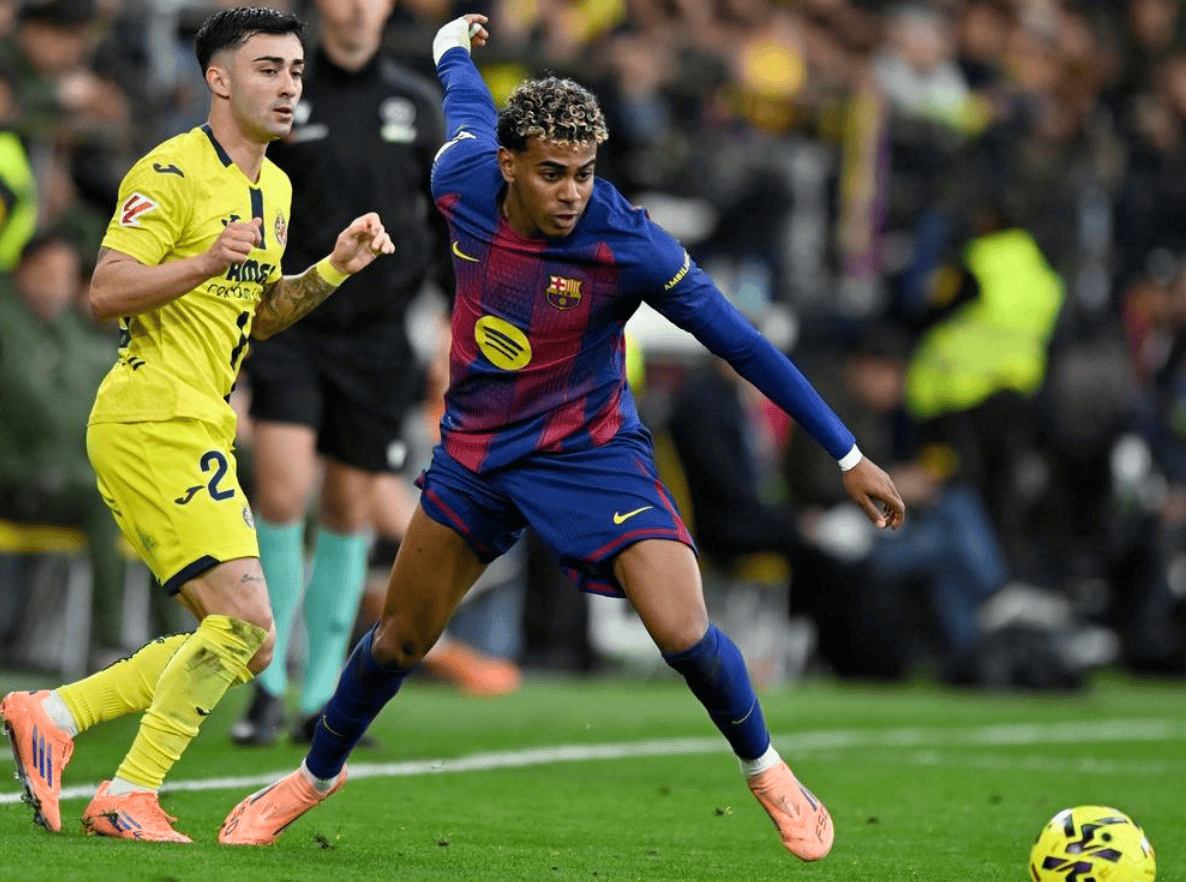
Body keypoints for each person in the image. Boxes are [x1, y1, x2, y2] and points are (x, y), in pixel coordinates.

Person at [217, 14, 904, 862]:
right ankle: (310, 779)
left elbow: (745, 344)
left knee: (681, 627)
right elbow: (466, 102)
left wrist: (848, 454)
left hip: (589, 452)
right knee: (399, 639)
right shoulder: (461, 176)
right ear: (508, 166)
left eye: (584, 173)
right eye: (552, 173)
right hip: (477, 453)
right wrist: (450, 47)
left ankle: (768, 771)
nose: (572, 191)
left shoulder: (630, 243)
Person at [0, 6, 394, 842]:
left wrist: (331, 269)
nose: (288, 86)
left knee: (248, 642)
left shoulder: (275, 187)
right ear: (218, 79)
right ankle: (128, 792)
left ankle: (56, 716)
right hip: (152, 415)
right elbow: (105, 290)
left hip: (199, 420)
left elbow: (260, 314)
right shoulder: (171, 169)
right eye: (267, 69)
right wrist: (205, 258)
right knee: (246, 623)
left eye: (295, 71)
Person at [230, 0, 452, 747]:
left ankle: (322, 695)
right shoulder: (286, 96)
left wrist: (456, 320)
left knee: (350, 507)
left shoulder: (416, 104)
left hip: (381, 336)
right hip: (292, 322)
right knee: (281, 491)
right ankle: (264, 684)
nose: (358, 11)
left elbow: (447, 221)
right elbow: (243, 197)